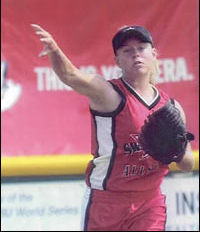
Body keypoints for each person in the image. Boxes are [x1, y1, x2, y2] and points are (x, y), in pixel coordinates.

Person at [31, 24, 195, 231]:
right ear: (117, 61)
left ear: (153, 53)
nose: (136, 54)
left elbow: (188, 164)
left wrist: (175, 149)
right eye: (127, 51)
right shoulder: (109, 93)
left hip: (149, 203)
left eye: (141, 48)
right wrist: (55, 50)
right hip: (106, 202)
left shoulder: (171, 107)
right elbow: (70, 75)